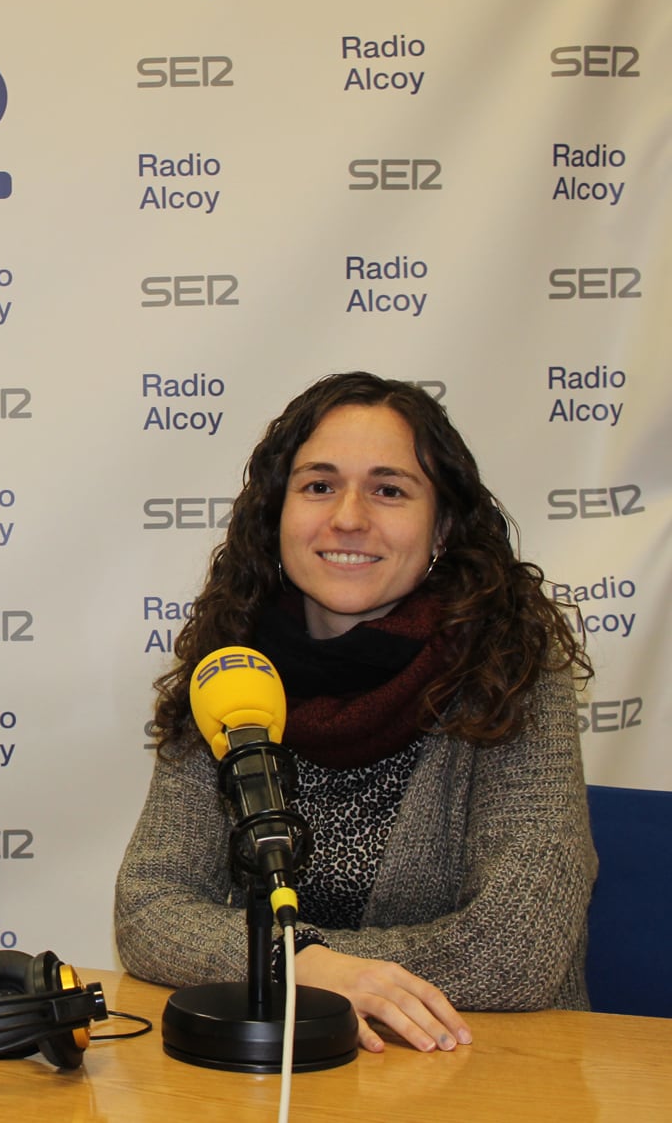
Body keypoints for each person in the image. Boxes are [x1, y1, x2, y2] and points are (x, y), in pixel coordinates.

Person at [114, 372, 595, 1054]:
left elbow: (521, 946)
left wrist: (279, 963)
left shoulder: (508, 664)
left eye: (389, 490)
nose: (347, 518)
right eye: (318, 485)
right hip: (288, 1067)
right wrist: (309, 966)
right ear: (275, 513)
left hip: (476, 1064)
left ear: (443, 526)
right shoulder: (232, 667)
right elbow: (150, 909)